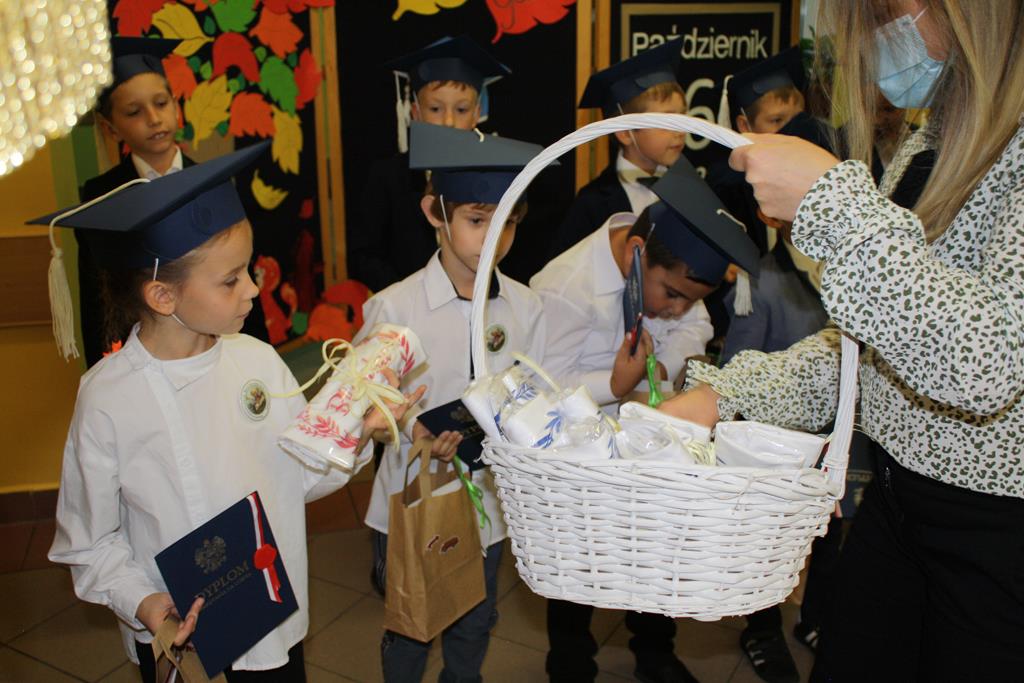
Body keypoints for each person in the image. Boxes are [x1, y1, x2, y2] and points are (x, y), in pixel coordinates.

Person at [660, 1, 1024, 680]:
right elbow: (870, 348)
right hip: (895, 506)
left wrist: (833, 202)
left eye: (889, 10)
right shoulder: (931, 139)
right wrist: (726, 398)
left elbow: (989, 360)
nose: (878, 34)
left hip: (997, 537)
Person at [42, 144, 419, 682]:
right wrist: (144, 603)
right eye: (231, 279)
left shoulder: (257, 360)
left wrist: (357, 432)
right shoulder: (108, 397)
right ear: (163, 296)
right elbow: (90, 541)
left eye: (248, 269)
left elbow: (296, 478)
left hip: (271, 618)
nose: (253, 289)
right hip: (180, 631)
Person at [532, 155, 759, 683]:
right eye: (672, 295)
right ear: (637, 252)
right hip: (578, 454)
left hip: (648, 443)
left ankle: (655, 654)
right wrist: (614, 385)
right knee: (578, 566)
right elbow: (540, 386)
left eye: (688, 299)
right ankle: (570, 662)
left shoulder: (671, 274)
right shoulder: (564, 287)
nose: (676, 308)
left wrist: (659, 366)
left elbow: (695, 328)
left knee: (655, 552)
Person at [358, 122, 547, 683]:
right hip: (411, 497)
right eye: (477, 220)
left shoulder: (526, 307)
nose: (494, 238)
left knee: (475, 619)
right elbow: (364, 408)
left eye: (508, 221)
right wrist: (407, 427)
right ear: (435, 213)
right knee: (411, 625)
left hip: (486, 501)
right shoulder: (394, 308)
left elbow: (532, 394)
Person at [77, 37, 268, 366]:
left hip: (218, 343)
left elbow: (238, 273)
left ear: (176, 106)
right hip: (146, 354)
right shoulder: (102, 198)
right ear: (110, 127)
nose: (154, 118)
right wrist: (105, 364)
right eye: (134, 111)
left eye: (161, 103)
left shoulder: (214, 181)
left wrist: (260, 354)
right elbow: (98, 299)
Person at [347, 36, 510, 293]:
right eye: (435, 108)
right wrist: (408, 296)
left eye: (461, 109)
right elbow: (363, 255)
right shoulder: (389, 177)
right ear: (416, 113)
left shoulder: (497, 176)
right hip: (407, 305)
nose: (448, 121)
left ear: (477, 113)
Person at [545, 38, 688, 262]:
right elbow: (565, 271)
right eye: (666, 121)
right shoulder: (591, 204)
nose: (681, 130)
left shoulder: (691, 190)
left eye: (684, 117)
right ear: (625, 133)